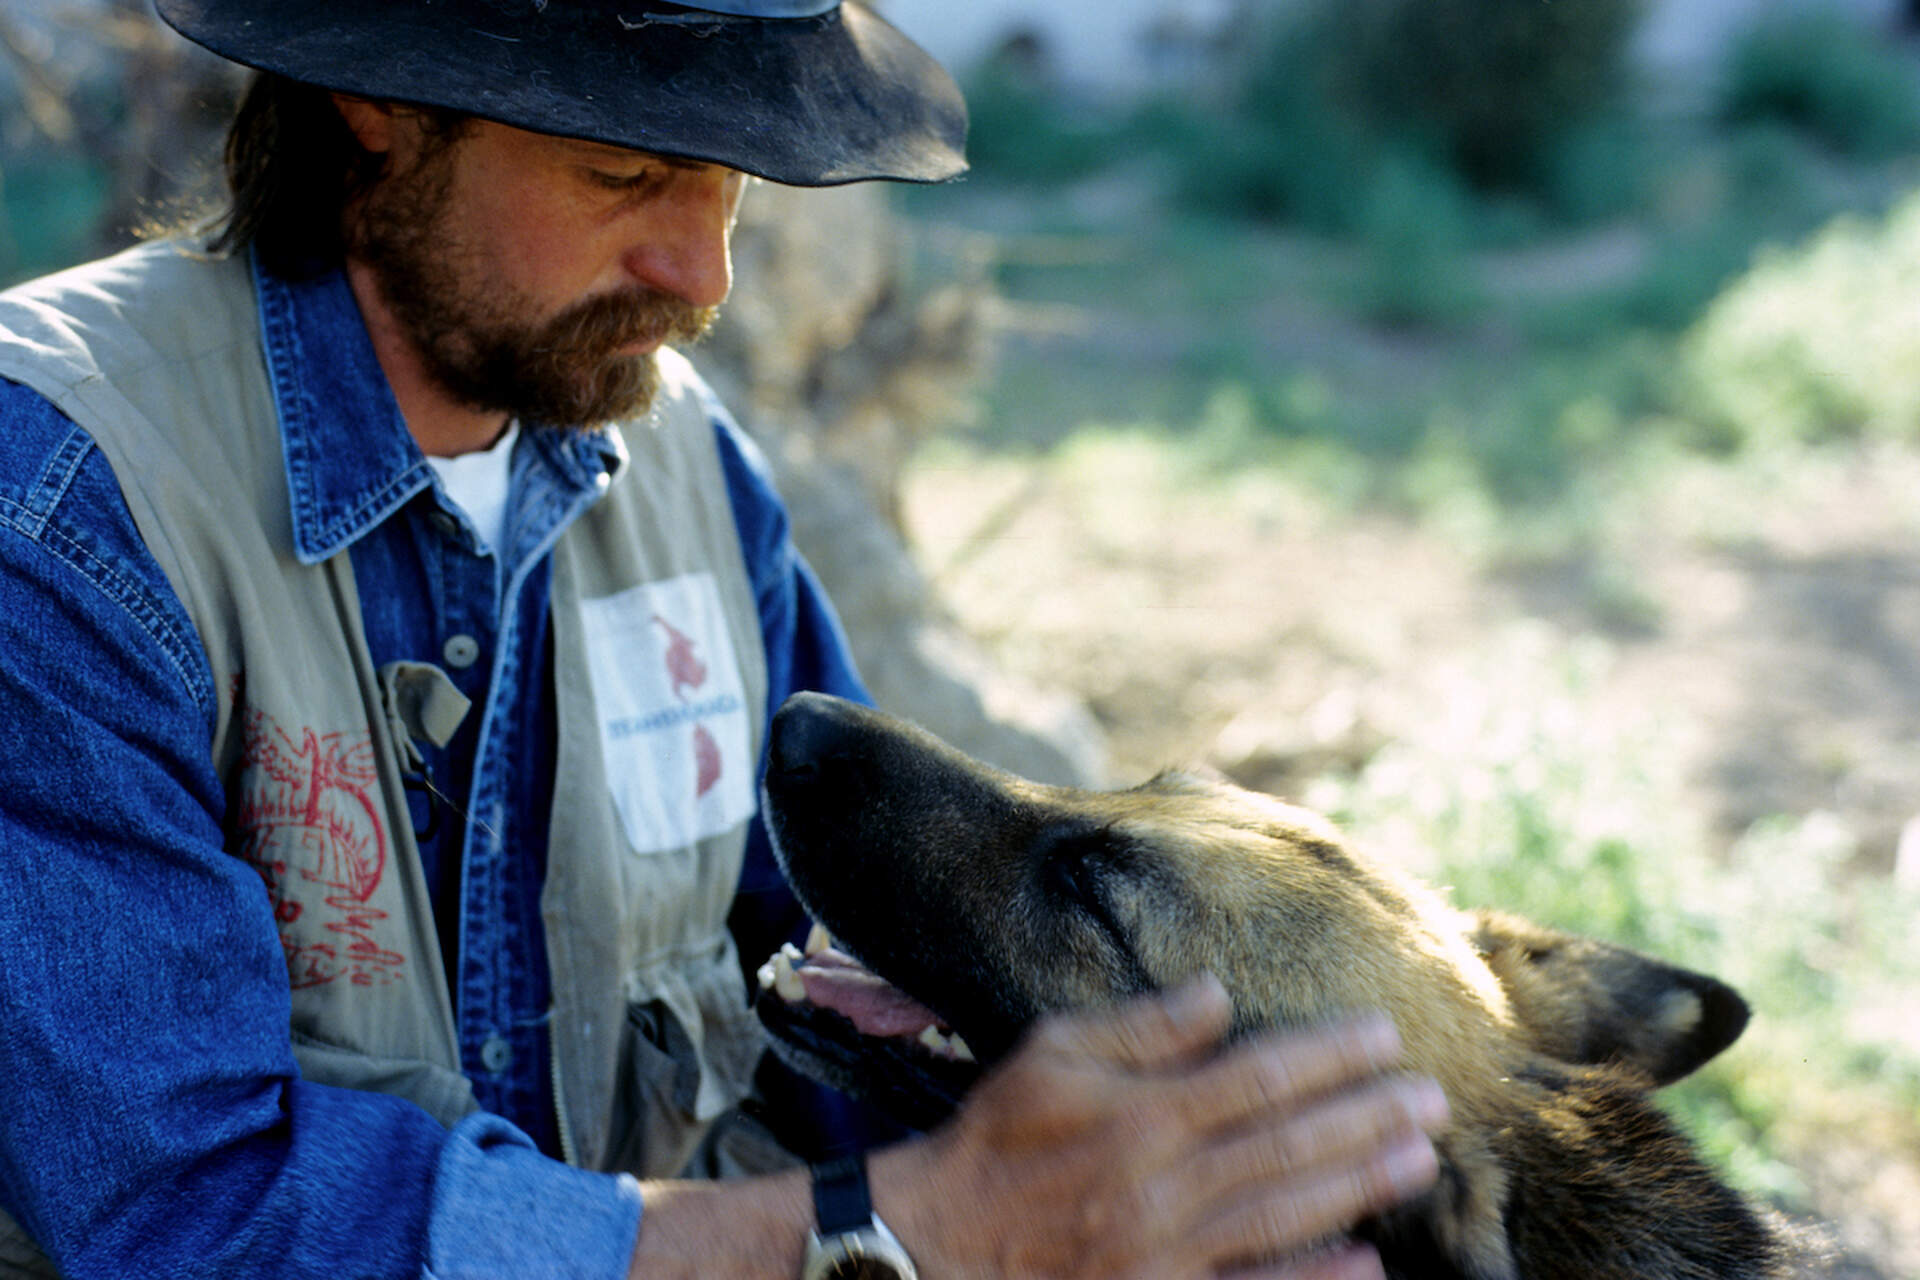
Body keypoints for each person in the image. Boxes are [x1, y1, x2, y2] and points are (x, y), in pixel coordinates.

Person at [0, 2, 1449, 1276]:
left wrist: (1173, 1179)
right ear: (380, 107)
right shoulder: (63, 499)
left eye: (730, 181)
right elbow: (191, 1213)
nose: (704, 278)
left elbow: (844, 987)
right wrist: (906, 1237)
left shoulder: (691, 472)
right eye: (622, 171)